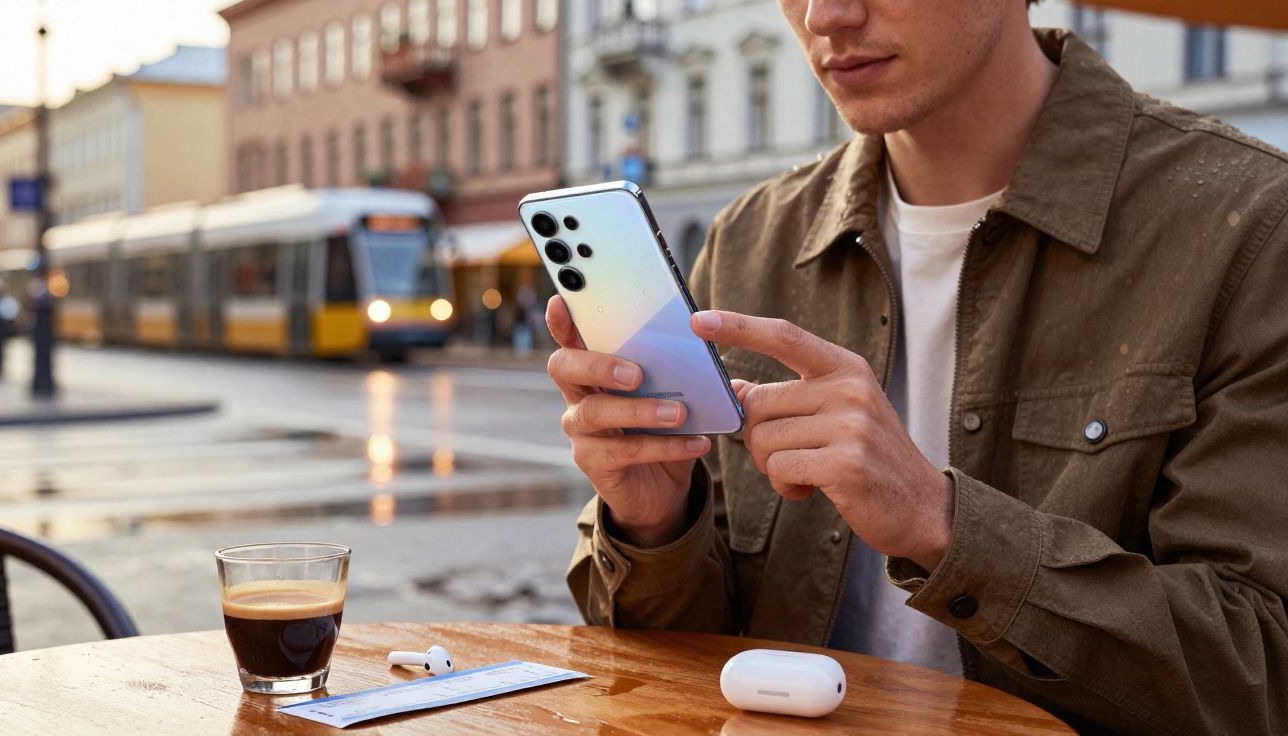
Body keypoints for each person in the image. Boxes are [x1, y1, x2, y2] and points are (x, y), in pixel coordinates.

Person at [545, 1, 1288, 733]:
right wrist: (654, 528)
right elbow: (682, 677)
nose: (824, 16)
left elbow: (1261, 672)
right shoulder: (751, 237)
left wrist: (942, 525)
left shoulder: (1249, 226)